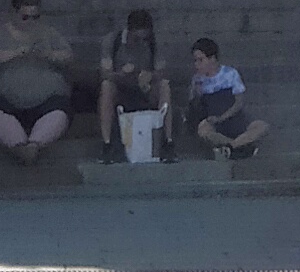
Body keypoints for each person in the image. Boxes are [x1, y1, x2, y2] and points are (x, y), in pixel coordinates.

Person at [0, 0, 76, 164]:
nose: (31, 22)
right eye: (25, 17)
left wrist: (49, 54)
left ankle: (34, 145)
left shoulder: (49, 33)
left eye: (35, 17)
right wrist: (16, 53)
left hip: (47, 99)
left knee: (59, 113)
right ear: (13, 13)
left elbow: (68, 55)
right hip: (6, 99)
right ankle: (18, 145)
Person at [99, 8, 172, 160]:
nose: (141, 42)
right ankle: (106, 143)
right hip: (121, 88)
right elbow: (104, 73)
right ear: (129, 31)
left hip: (145, 89)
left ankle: (168, 141)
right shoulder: (112, 41)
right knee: (106, 86)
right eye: (137, 38)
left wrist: (150, 75)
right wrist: (120, 74)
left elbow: (163, 71)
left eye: (144, 38)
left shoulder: (155, 42)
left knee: (164, 86)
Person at [184, 35, 268, 162]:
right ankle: (242, 146)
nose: (197, 65)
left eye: (200, 60)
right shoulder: (197, 80)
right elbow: (194, 107)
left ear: (212, 58)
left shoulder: (230, 74)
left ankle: (231, 147)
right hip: (213, 120)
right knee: (203, 131)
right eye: (195, 61)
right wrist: (196, 92)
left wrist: (222, 117)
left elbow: (239, 102)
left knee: (262, 126)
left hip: (233, 116)